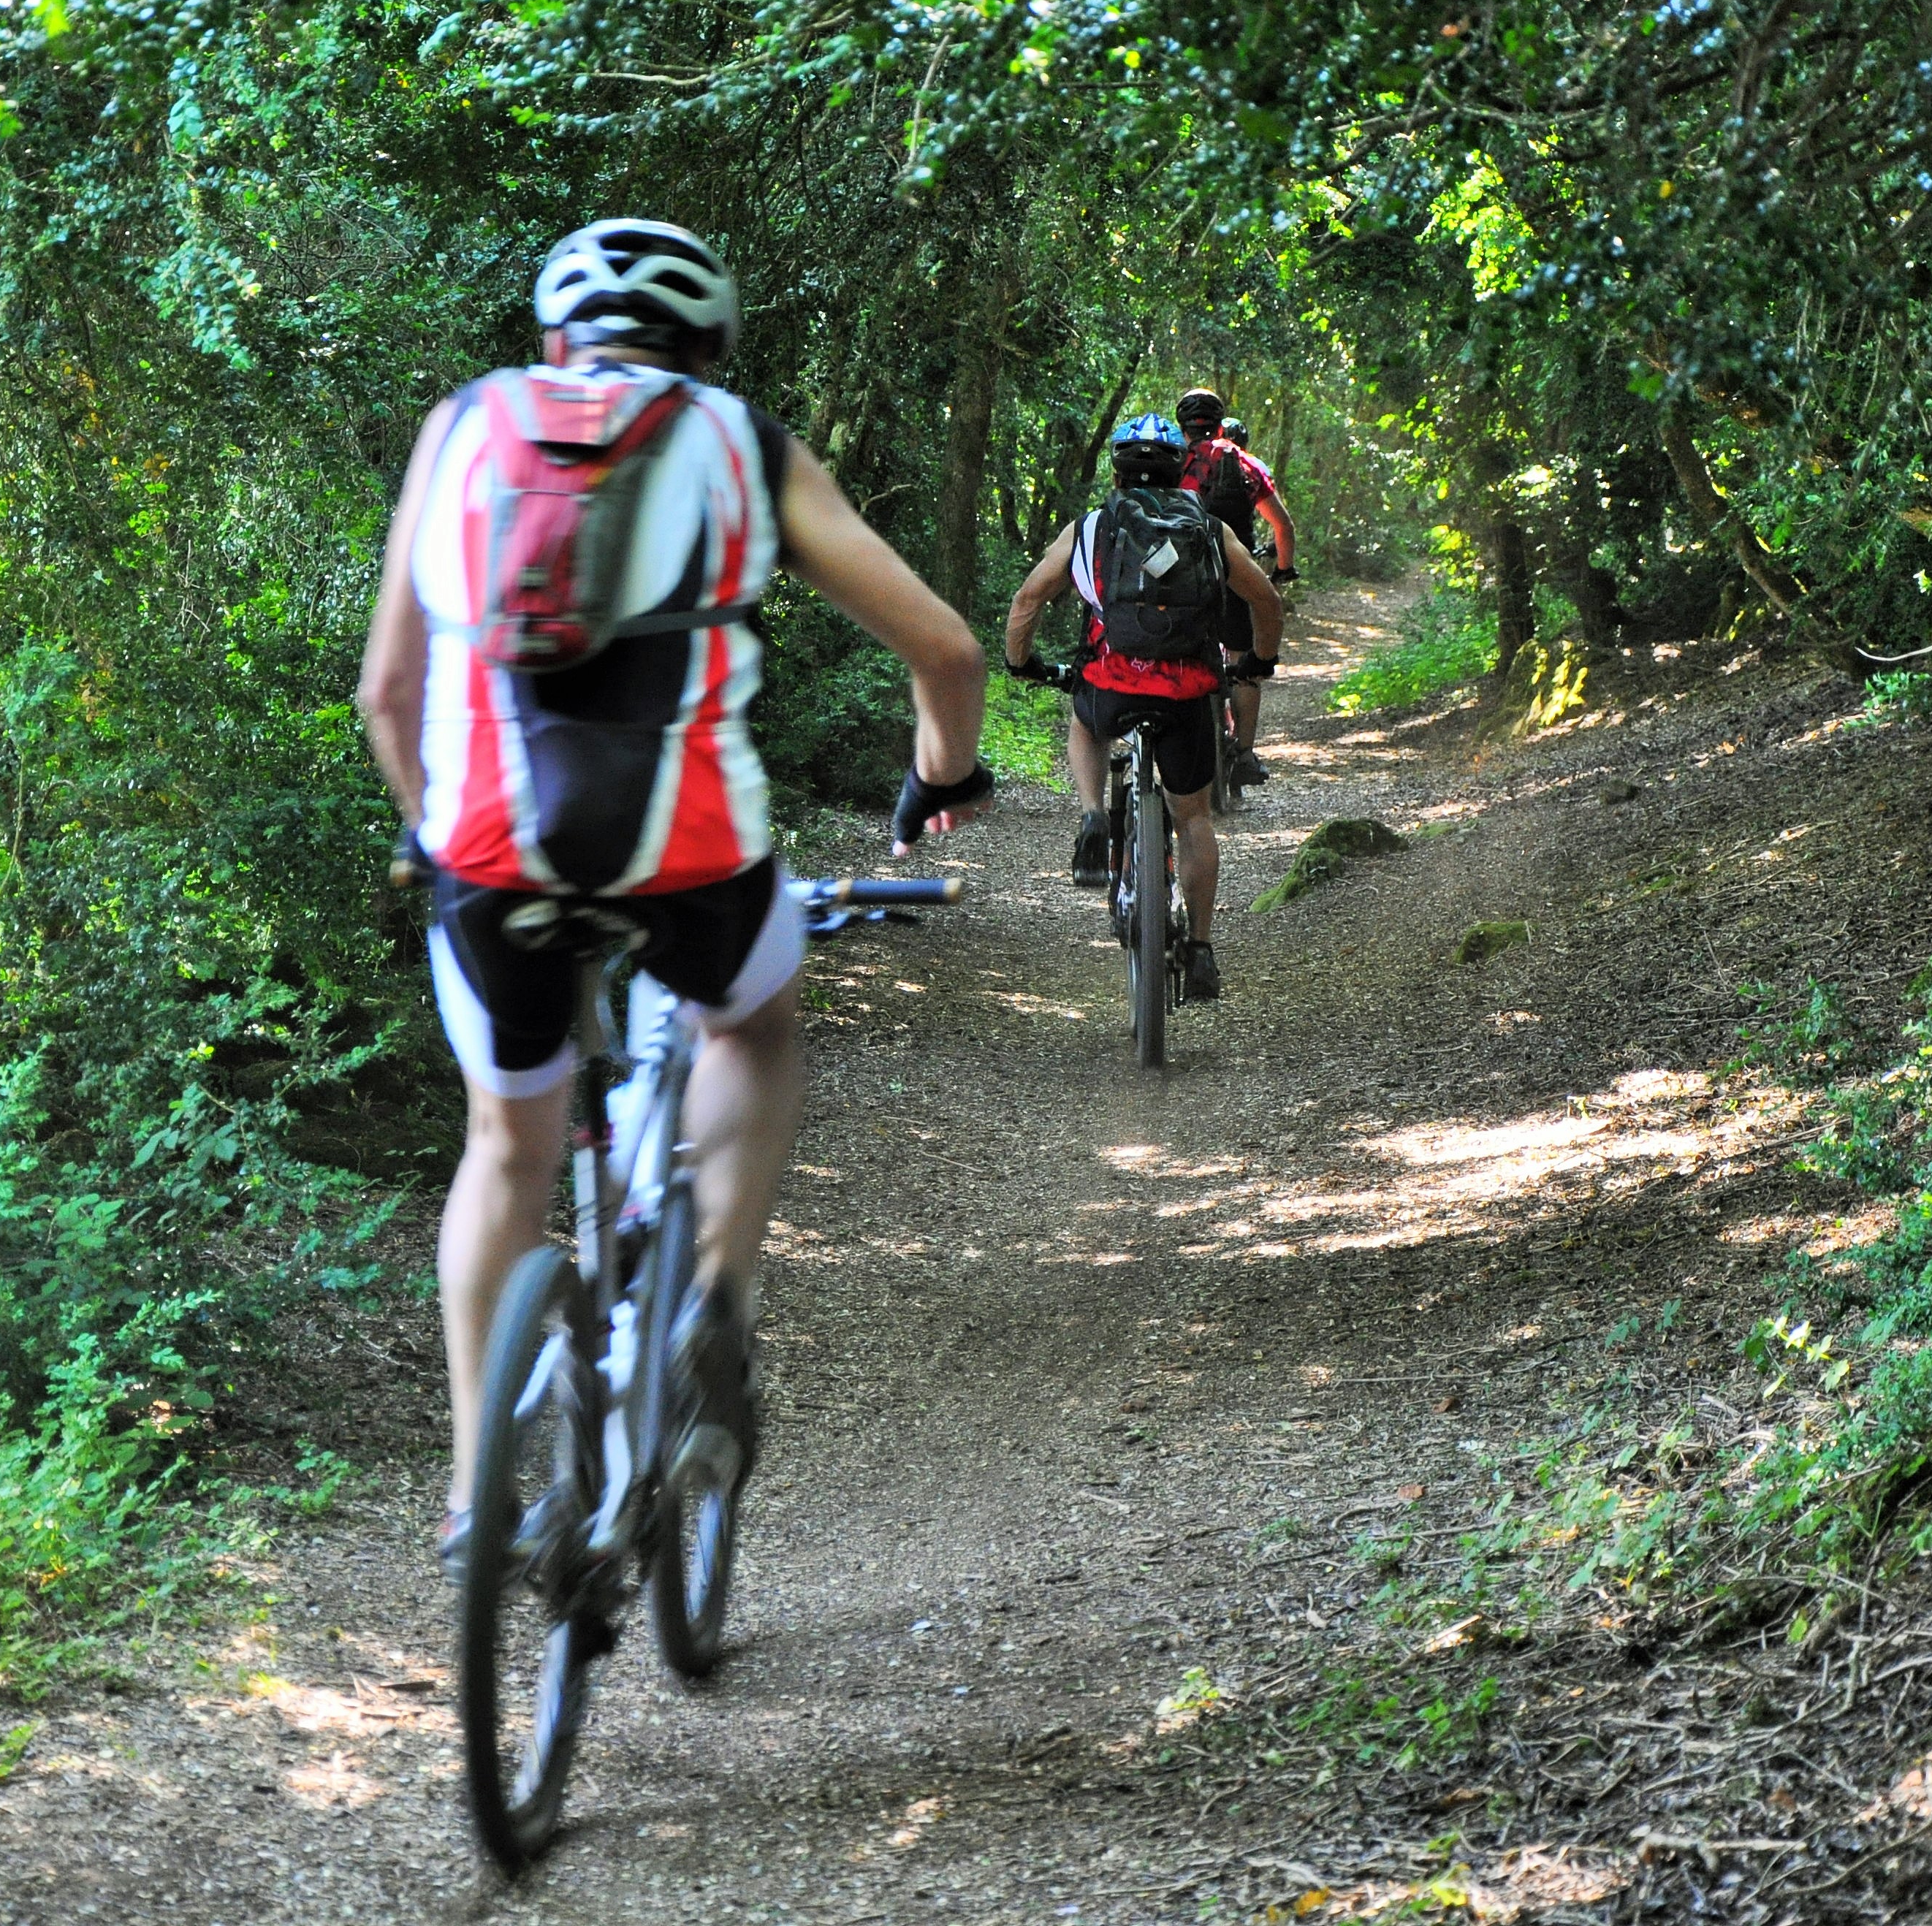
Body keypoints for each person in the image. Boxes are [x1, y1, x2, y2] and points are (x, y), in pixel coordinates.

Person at [357, 218, 992, 1576]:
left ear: (551, 341)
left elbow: (386, 693)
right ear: (706, 349)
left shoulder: (463, 425)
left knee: (504, 1144)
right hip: (690, 851)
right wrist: (941, 776)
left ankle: (478, 1492)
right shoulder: (742, 441)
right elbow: (941, 643)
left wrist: (431, 829)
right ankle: (711, 1292)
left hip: (488, 852)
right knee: (747, 1025)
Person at [1003, 413, 1281, 1000]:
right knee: (1195, 818)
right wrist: (1258, 662)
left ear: (1117, 469)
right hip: (1186, 696)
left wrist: (1020, 663)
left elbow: (1028, 599)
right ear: (1182, 467)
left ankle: (1093, 816)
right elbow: (1266, 599)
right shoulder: (1208, 529)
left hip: (1113, 687)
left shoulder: (1089, 528)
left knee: (1083, 721)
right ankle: (1201, 949)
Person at [1172, 389, 1296, 789]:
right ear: (1221, 423)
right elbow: (1283, 527)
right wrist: (1283, 570)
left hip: (1182, 577)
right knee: (1244, 667)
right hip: (1233, 573)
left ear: (1183, 427)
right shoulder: (1244, 463)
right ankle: (1244, 754)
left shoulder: (1171, 463)